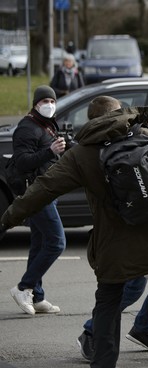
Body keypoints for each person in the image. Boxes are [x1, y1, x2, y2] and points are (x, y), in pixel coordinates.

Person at [1, 101, 148, 368]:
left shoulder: (79, 155)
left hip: (114, 245)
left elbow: (41, 190)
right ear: (118, 113)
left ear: (90, 120)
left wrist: (6, 221)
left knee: (107, 306)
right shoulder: (139, 135)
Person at [76, 102, 148, 360]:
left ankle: (143, 326)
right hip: (140, 228)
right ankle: (91, 332)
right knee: (132, 288)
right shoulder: (133, 149)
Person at [9, 85, 66, 316]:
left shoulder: (46, 125)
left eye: (52, 100)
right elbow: (22, 161)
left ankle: (37, 295)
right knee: (56, 242)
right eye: (44, 101)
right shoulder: (26, 128)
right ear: (35, 104)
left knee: (40, 243)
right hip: (36, 192)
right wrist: (51, 151)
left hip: (49, 190)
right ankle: (23, 287)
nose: (49, 105)